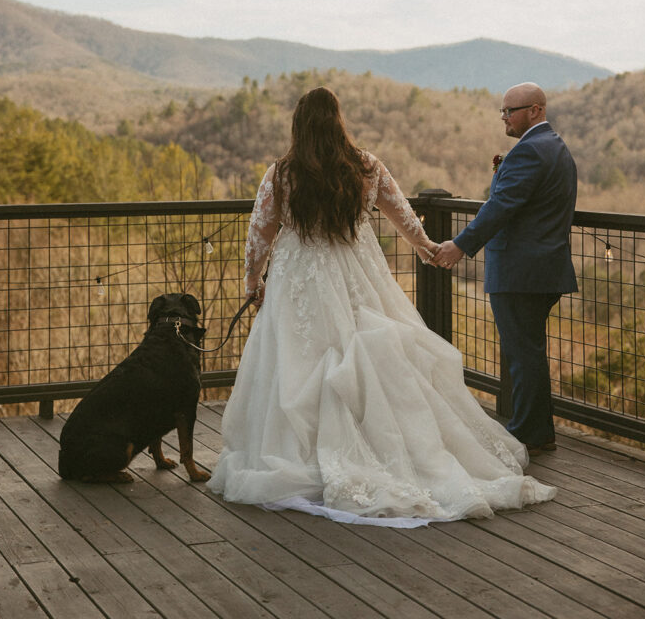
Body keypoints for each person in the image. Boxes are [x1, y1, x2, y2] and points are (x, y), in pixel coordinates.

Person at [207, 86, 555, 525]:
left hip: (299, 279)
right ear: (339, 122)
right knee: (368, 354)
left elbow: (260, 235)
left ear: (298, 126)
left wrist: (252, 281)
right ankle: (385, 447)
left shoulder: (282, 174)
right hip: (358, 273)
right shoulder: (366, 167)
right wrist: (428, 247)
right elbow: (404, 216)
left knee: (298, 358)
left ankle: (303, 451)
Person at [435, 82, 577, 456]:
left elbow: (500, 206)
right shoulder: (556, 147)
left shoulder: (529, 151)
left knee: (522, 353)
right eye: (502, 111)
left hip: (520, 271)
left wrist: (460, 245)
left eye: (509, 111)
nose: (504, 118)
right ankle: (536, 429)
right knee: (529, 350)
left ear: (535, 109)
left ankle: (527, 434)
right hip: (545, 268)